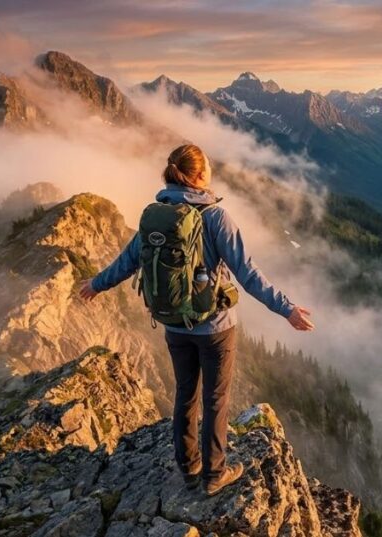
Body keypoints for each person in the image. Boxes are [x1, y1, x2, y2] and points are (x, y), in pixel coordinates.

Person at [79, 144, 314, 496]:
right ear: (200, 175)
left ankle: (190, 470)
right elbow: (247, 273)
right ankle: (215, 475)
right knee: (215, 399)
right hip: (216, 327)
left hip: (174, 325)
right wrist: (287, 309)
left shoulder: (156, 216)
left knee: (185, 395)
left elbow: (128, 262)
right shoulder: (216, 218)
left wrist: (96, 285)